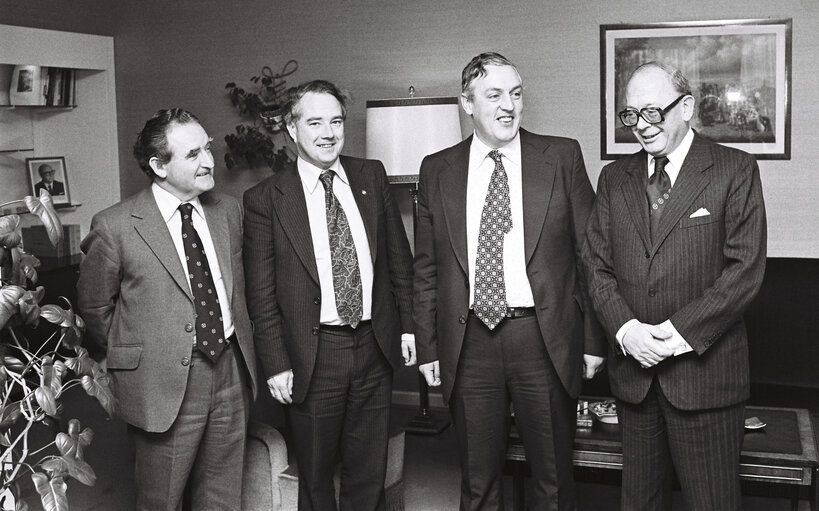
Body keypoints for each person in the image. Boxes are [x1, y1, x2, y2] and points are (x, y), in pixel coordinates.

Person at [413, 52, 606, 510]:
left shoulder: (561, 156)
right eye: (494, 95)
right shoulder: (437, 169)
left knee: (553, 481)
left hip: (542, 337)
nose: (509, 106)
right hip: (469, 342)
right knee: (479, 484)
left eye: (516, 94)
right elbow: (427, 266)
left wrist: (594, 340)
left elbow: (590, 255)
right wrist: (427, 346)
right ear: (467, 103)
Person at [582, 62, 767, 510]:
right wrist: (627, 332)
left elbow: (744, 271)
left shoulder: (734, 169)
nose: (642, 127)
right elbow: (595, 265)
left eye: (652, 112)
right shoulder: (614, 178)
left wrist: (672, 337)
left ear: (686, 107)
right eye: (631, 116)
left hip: (706, 381)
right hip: (634, 381)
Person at [243, 80, 415, 511]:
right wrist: (276, 362)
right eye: (315, 122)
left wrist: (410, 327)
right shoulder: (266, 199)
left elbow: (399, 261)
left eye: (336, 121)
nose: (328, 132)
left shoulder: (370, 175)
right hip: (313, 354)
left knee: (368, 474)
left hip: (375, 346)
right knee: (317, 478)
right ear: (291, 128)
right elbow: (261, 293)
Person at [77, 108, 258, 511]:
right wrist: (139, 355)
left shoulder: (227, 211)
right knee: (162, 500)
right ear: (158, 165)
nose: (209, 161)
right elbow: (93, 307)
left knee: (223, 496)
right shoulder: (115, 225)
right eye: (193, 154)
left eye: (207, 148)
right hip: (163, 383)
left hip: (230, 368)